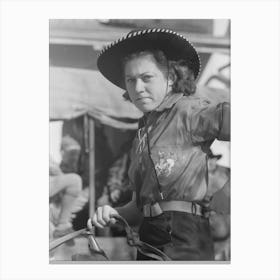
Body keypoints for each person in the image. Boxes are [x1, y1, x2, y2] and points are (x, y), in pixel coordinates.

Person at [89, 28, 230, 260]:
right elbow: (137, 208)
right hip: (148, 237)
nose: (138, 88)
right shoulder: (141, 135)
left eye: (147, 78)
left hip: (186, 235)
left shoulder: (190, 110)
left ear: (172, 78)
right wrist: (114, 212)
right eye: (131, 80)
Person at [49, 136, 82, 239]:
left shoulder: (77, 164)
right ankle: (63, 225)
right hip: (54, 206)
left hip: (58, 205)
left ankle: (63, 225)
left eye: (76, 153)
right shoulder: (62, 165)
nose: (74, 156)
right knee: (74, 180)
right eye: (72, 153)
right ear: (63, 153)